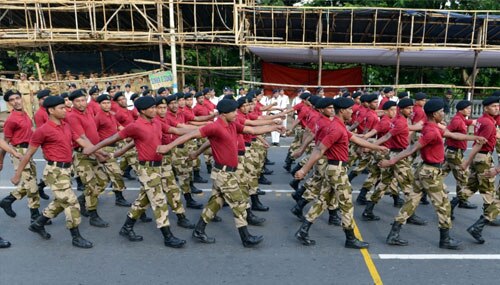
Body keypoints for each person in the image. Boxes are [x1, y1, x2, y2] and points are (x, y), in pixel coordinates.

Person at [157, 99, 286, 247]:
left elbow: (252, 130)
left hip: (229, 172)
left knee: (216, 202)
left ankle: (199, 230)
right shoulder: (214, 127)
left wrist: (273, 127)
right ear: (224, 114)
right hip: (223, 173)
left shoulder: (232, 124)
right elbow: (190, 135)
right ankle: (246, 237)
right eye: (233, 112)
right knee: (239, 203)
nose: (236, 114)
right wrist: (168, 147)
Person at [381, 99, 485, 249]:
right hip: (430, 173)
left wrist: (474, 138)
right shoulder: (431, 131)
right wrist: (391, 161)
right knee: (443, 206)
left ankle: (393, 234)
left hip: (424, 170)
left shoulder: (432, 126)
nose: (443, 114)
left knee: (411, 201)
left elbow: (454, 135)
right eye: (442, 111)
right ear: (435, 114)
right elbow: (412, 149)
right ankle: (445, 240)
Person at [84, 96, 186, 248]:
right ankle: (168, 236)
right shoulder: (135, 126)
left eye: (155, 107)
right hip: (147, 169)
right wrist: (94, 148)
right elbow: (113, 138)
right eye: (151, 108)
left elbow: (176, 130)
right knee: (159, 201)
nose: (155, 110)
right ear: (143, 111)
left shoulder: (157, 122)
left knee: (142, 201)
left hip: (158, 167)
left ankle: (127, 227)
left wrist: (202, 130)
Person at [294, 97, 388, 249]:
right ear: (343, 111)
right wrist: (304, 169)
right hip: (336, 170)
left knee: (322, 201)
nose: (352, 112)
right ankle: (350, 238)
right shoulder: (336, 128)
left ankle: (303, 231)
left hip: (335, 169)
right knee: (346, 204)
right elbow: (319, 149)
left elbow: (355, 139)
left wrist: (376, 147)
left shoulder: (339, 125)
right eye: (350, 109)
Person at [11, 96, 93, 248]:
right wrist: (17, 175)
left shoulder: (66, 125)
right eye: (62, 108)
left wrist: (100, 152)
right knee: (71, 202)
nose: (65, 110)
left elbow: (82, 141)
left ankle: (38, 223)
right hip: (54, 172)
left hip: (67, 170)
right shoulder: (43, 131)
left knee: (60, 201)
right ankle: (76, 236)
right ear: (51, 110)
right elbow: (28, 154)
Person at [452, 96, 500, 224]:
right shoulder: (489, 123)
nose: (497, 108)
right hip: (483, 157)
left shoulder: (482, 119)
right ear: (486, 108)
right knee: (488, 188)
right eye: (494, 106)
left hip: (479, 156)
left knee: (472, 186)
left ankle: (452, 204)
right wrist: (467, 161)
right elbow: (479, 143)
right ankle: (488, 217)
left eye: (498, 106)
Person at [66, 89, 110, 228]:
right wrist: (99, 153)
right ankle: (93, 215)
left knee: (103, 180)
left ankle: (83, 200)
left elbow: (93, 133)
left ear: (86, 100)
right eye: (77, 101)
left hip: (93, 151)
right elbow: (82, 138)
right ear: (72, 102)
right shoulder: (73, 116)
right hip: (83, 155)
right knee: (91, 185)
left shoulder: (88, 112)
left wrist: (98, 151)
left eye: (82, 100)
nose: (80, 103)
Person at [0, 90, 45, 223]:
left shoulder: (25, 114)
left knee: (30, 182)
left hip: (28, 151)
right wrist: (1, 160)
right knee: (31, 185)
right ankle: (35, 216)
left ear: (22, 98)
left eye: (18, 98)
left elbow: (31, 131)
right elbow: (5, 142)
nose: (16, 101)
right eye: (12, 100)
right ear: (9, 103)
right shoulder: (11, 120)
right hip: (19, 152)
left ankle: (8, 200)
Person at [94, 94, 132, 207]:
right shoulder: (98, 117)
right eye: (104, 103)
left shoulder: (111, 115)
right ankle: (119, 198)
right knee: (116, 173)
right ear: (99, 104)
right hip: (105, 149)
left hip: (114, 147)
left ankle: (88, 198)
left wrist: (131, 133)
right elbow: (93, 133)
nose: (107, 105)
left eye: (108, 103)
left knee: (111, 176)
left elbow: (119, 127)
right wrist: (98, 150)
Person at [443, 100, 478, 210]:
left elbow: (470, 122)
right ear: (460, 110)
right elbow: (446, 132)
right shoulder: (457, 121)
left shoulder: (462, 119)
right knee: (464, 177)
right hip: (454, 152)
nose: (470, 110)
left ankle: (424, 191)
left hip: (453, 152)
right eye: (467, 108)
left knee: (440, 174)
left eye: (470, 108)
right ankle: (462, 200)